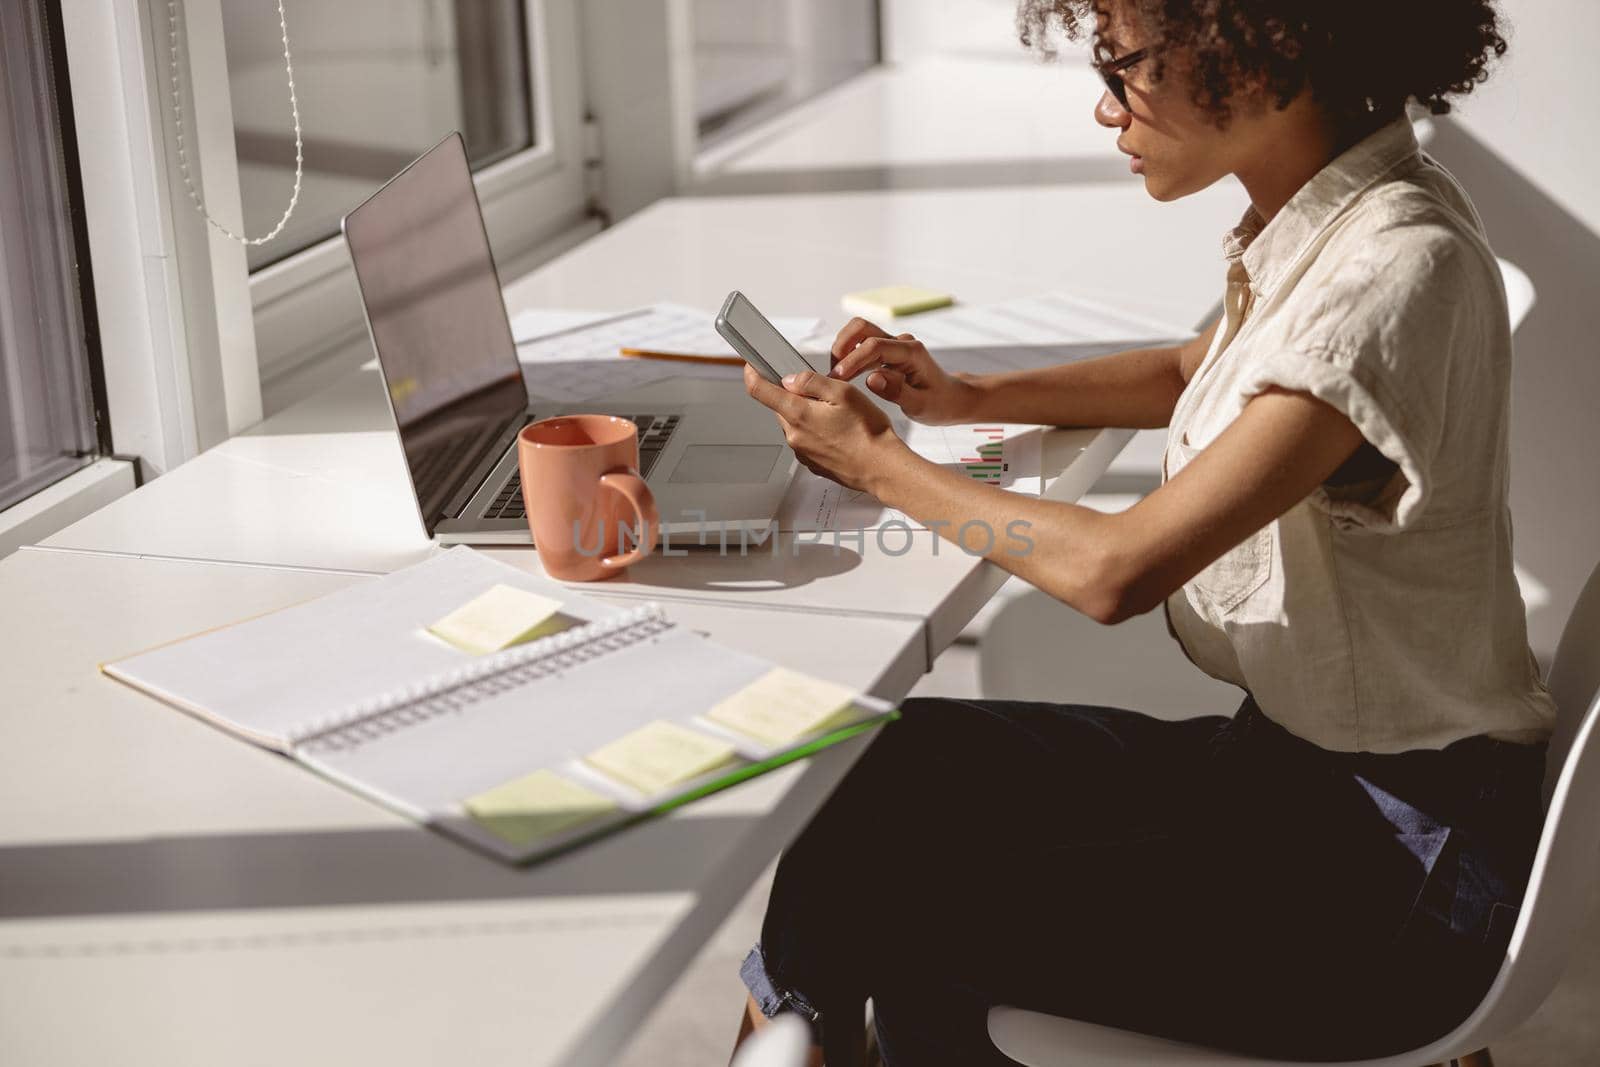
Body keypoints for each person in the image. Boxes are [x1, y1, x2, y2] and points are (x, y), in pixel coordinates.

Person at [730, 1, 1557, 1065]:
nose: (1102, 105)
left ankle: (789, 1032)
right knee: (882, 765)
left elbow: (1116, 569)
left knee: (904, 910)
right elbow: (1186, 372)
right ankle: (798, 1028)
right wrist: (962, 393)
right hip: (1295, 782)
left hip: (1393, 872)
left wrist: (880, 465)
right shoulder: (1331, 219)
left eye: (1122, 70)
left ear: (1261, 59)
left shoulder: (1392, 272)